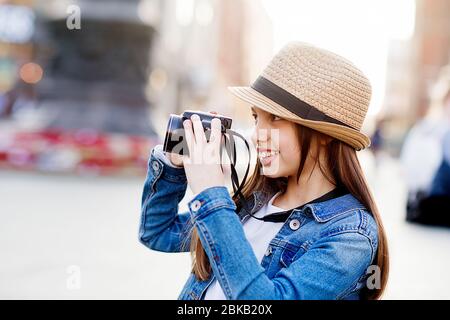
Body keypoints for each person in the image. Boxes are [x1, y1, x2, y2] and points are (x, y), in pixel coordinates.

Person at [138, 42, 389, 300]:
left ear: (324, 135)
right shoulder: (256, 199)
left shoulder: (351, 235)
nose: (258, 134)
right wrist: (173, 165)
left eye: (275, 118)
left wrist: (211, 195)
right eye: (257, 118)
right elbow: (157, 232)